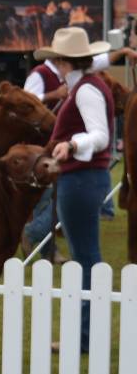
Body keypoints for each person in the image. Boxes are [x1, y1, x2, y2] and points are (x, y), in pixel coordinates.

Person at [36, 27, 113, 353]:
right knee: (86, 258)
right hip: (84, 178)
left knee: (85, 260)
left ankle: (85, 338)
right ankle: (86, 336)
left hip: (81, 179)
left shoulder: (85, 90)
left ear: (64, 61)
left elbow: (100, 136)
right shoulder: (85, 85)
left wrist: (71, 143)